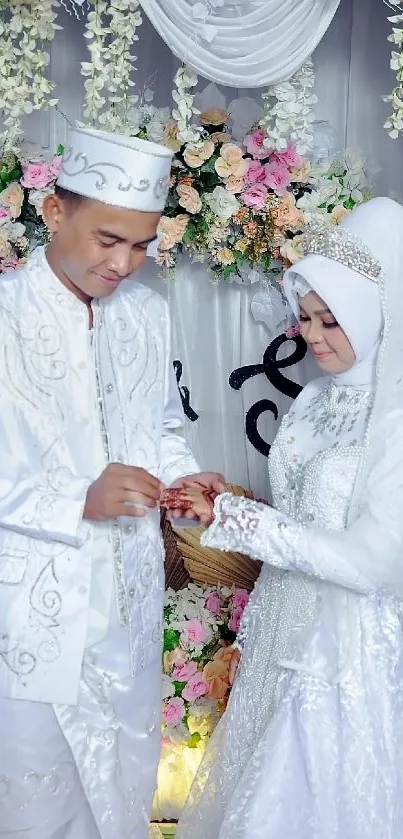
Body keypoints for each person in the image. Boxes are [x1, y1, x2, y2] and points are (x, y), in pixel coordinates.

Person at [0, 126, 223, 839]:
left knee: (121, 792)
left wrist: (184, 475)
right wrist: (78, 497)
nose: (125, 263)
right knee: (39, 803)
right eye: (107, 240)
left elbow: (155, 425)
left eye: (141, 245)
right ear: (57, 212)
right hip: (32, 611)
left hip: (126, 601)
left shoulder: (148, 317)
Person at [176, 197, 403, 839]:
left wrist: (237, 520)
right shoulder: (311, 401)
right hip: (279, 628)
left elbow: (373, 562)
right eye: (305, 317)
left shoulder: (395, 420)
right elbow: (303, 515)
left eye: (331, 320)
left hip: (344, 652)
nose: (310, 335)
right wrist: (236, 505)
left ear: (379, 316)